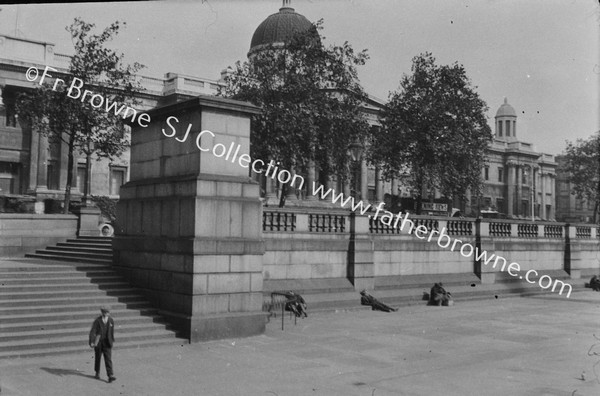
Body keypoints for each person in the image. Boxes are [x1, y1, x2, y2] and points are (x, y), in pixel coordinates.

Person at [89, 306, 116, 383]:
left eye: (108, 312)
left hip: (107, 342)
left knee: (108, 359)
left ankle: (110, 375)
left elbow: (111, 331)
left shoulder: (111, 320)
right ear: (102, 312)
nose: (107, 314)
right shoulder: (97, 321)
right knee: (98, 357)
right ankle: (97, 372)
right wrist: (92, 341)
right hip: (99, 342)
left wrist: (112, 340)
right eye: (105, 312)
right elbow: (93, 331)